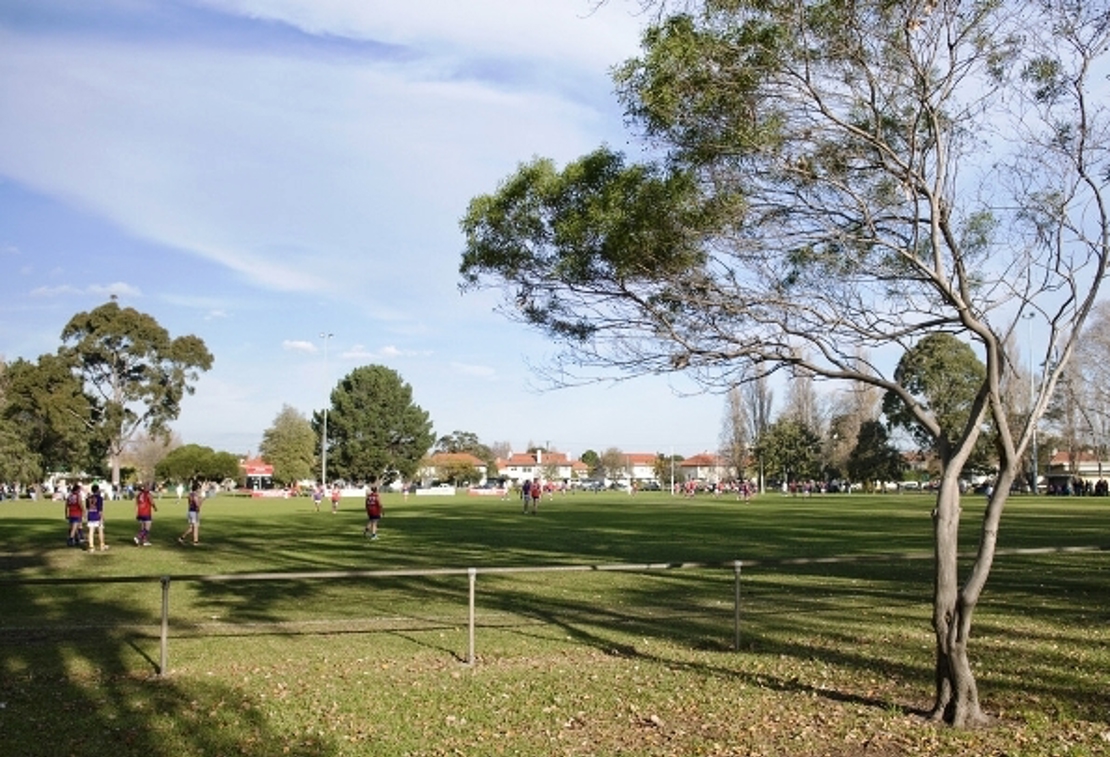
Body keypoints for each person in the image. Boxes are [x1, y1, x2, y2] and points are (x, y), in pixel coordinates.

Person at [85, 483, 108, 552]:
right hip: (97, 515)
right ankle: (102, 545)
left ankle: (91, 547)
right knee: (100, 530)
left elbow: (87, 507)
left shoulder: (88, 498)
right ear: (98, 490)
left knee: (91, 532)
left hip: (90, 514)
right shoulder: (99, 498)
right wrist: (102, 517)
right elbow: (100, 509)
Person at [178, 481, 202, 545]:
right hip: (194, 512)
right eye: (199, 488)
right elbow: (197, 504)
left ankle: (181, 538)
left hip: (190, 511)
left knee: (192, 528)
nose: (200, 490)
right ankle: (195, 542)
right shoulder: (195, 495)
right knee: (196, 527)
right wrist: (201, 500)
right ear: (197, 488)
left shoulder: (190, 494)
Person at [65, 483, 85, 547]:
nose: (80, 491)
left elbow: (66, 506)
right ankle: (71, 539)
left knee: (79, 526)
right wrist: (84, 510)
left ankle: (79, 539)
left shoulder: (69, 496)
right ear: (77, 490)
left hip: (71, 513)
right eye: (79, 490)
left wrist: (66, 514)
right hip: (77, 513)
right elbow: (80, 503)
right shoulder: (78, 495)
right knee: (74, 528)